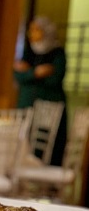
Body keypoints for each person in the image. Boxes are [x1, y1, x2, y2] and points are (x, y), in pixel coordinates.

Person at [13, 16, 67, 166]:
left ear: (46, 31)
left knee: (46, 149)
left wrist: (28, 72)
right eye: (31, 30)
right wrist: (36, 73)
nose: (32, 33)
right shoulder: (28, 51)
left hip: (48, 109)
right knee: (23, 141)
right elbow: (18, 75)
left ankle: (41, 176)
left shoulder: (57, 53)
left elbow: (54, 79)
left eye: (36, 30)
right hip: (26, 106)